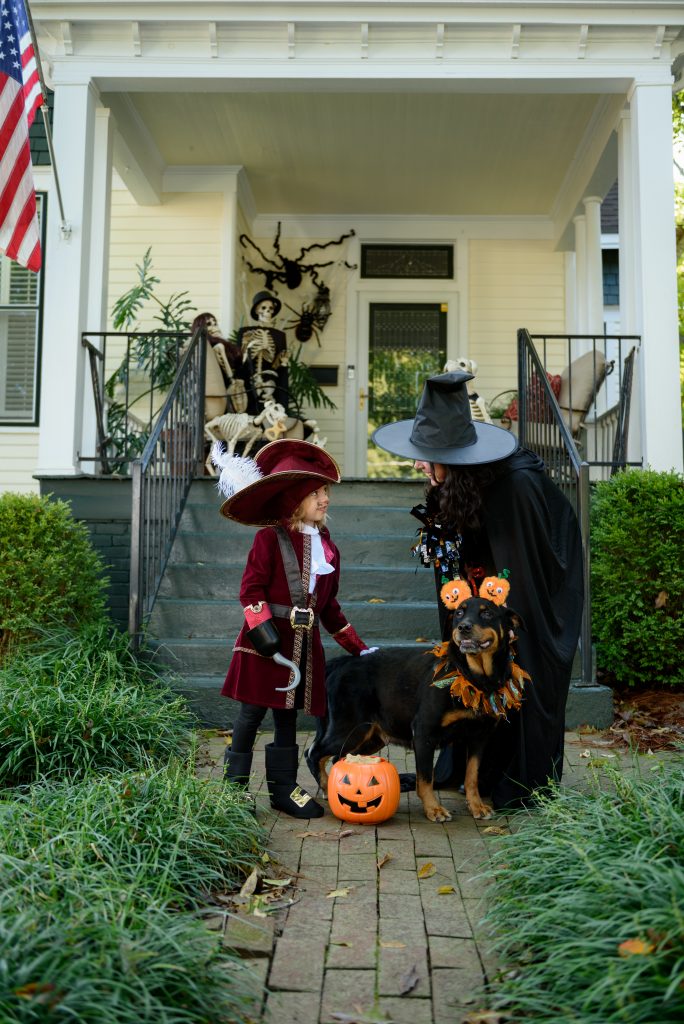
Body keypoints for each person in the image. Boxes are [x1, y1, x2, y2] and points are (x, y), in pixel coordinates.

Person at [372, 370, 584, 809]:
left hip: (525, 601)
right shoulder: (461, 484)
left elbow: (525, 567)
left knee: (515, 670)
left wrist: (497, 606)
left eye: (424, 457)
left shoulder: (516, 485)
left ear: (451, 456)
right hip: (483, 594)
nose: (417, 466)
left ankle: (515, 781)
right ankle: (469, 770)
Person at [212, 438, 374, 818]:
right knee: (251, 715)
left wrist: (358, 647)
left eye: (325, 492)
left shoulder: (328, 545)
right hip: (264, 643)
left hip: (303, 647)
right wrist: (266, 630)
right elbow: (250, 591)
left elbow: (329, 606)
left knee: (287, 716)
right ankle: (231, 794)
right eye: (316, 492)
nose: (325, 499)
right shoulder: (268, 539)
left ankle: (283, 790)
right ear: (295, 499)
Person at [236, 291, 289, 415]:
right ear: (256, 311)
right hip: (249, 381)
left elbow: (278, 368)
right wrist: (245, 345)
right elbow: (239, 362)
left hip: (269, 382)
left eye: (271, 309)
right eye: (264, 308)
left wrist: (282, 362)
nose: (268, 311)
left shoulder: (279, 336)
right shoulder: (245, 332)